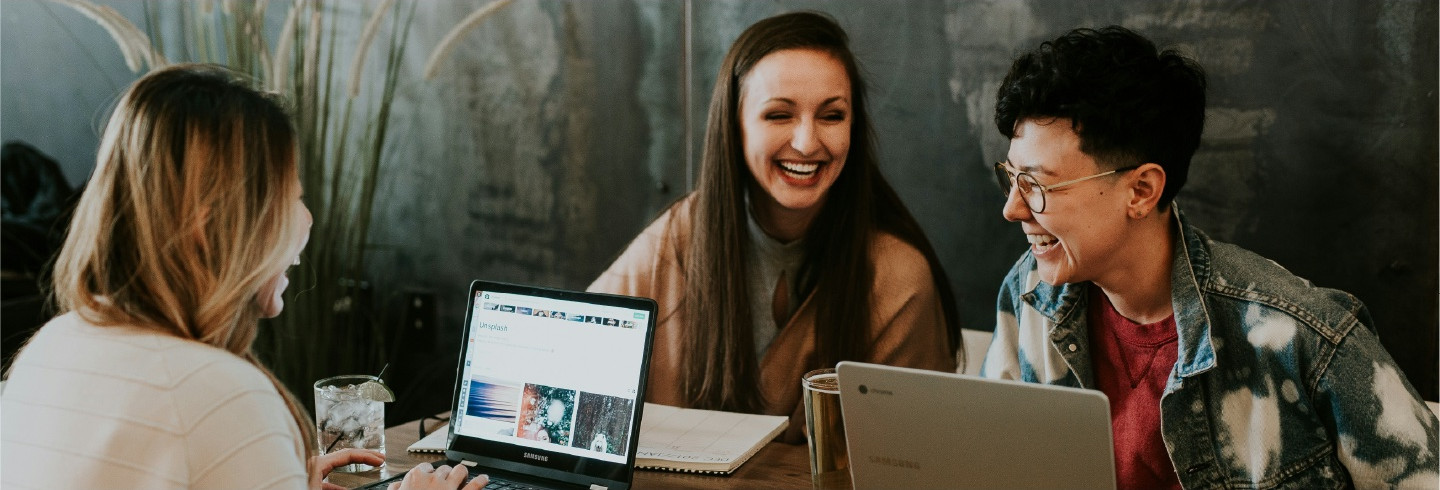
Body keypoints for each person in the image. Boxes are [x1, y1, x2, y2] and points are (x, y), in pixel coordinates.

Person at [980, 26, 1439, 488]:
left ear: (1141, 191)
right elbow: (988, 464)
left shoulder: (1301, 337)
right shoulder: (1029, 294)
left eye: (1037, 186)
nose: (1012, 208)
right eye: (1011, 178)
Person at [0, 64, 484, 490]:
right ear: (210, 228)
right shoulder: (219, 393)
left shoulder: (49, 346)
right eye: (291, 199)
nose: (307, 220)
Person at [589, 11, 959, 443]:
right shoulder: (678, 236)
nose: (806, 142)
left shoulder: (898, 278)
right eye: (779, 115)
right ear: (735, 126)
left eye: (832, 116)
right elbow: (571, 357)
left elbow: (913, 456)